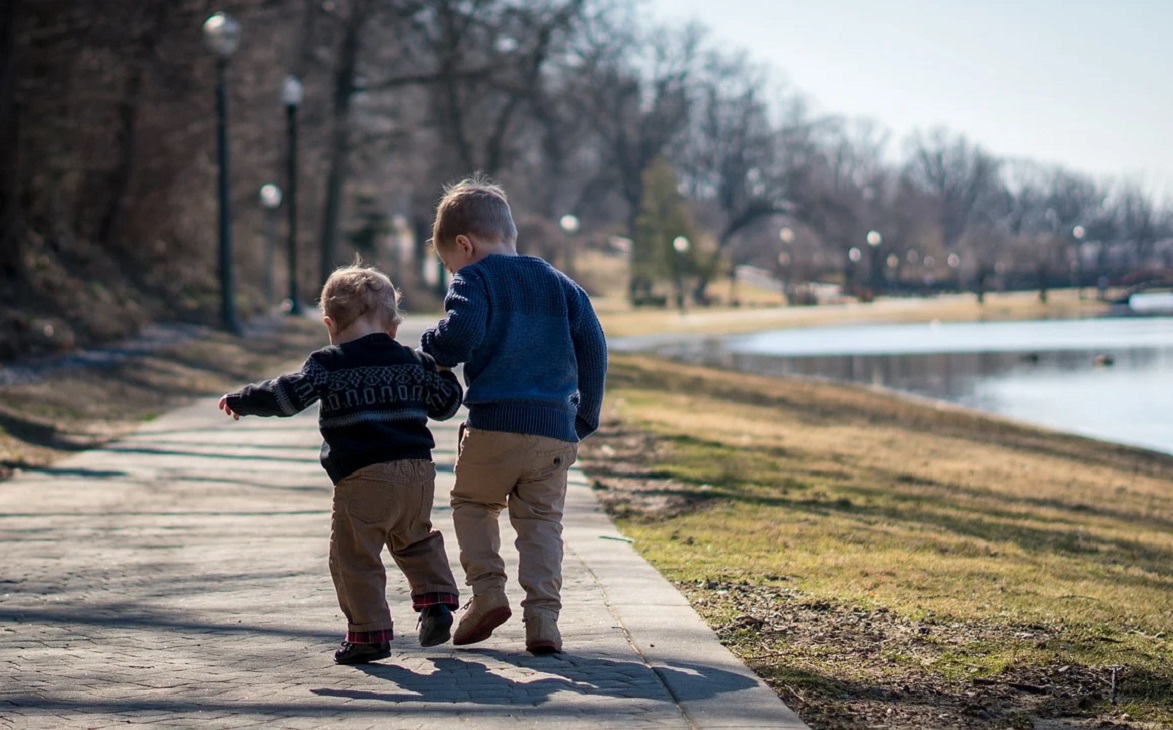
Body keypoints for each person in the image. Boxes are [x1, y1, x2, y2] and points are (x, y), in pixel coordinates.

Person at [219, 264, 463, 665]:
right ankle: (436, 603)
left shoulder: (328, 363)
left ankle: (369, 634)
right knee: (416, 538)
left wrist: (244, 400)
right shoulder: (412, 361)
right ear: (393, 326)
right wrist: (444, 370)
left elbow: (286, 397)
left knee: (354, 556)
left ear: (329, 323)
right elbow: (445, 405)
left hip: (363, 476)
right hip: (418, 473)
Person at [420, 175, 607, 655]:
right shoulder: (560, 284)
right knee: (542, 523)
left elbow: (459, 337)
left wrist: (431, 345)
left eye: (448, 263)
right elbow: (594, 348)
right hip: (554, 431)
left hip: (494, 426)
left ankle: (486, 593)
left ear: (465, 245)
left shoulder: (475, 278)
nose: (451, 270)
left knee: (473, 505)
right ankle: (543, 620)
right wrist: (584, 416)